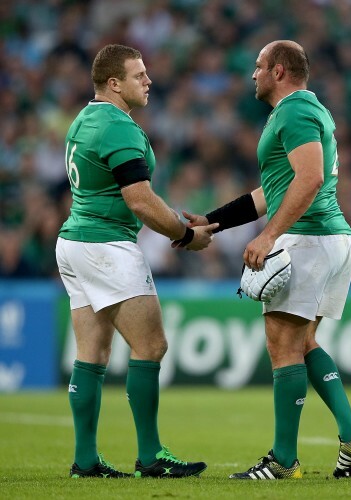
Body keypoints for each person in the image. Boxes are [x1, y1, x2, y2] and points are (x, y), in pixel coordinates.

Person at [182, 40, 351, 480]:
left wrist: (269, 236)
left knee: (282, 346)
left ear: (280, 71)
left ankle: (284, 461)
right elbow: (273, 191)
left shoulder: (294, 111)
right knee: (304, 344)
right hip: (330, 237)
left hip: (309, 239)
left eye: (258, 66)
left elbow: (310, 179)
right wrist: (215, 221)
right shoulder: (302, 112)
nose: (253, 74)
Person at [56, 44, 218, 479]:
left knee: (92, 353)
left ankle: (85, 460)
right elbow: (141, 201)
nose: (149, 81)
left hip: (74, 242)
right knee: (152, 346)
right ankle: (150, 456)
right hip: (107, 247)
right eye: (138, 75)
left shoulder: (83, 120)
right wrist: (186, 234)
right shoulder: (118, 127)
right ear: (114, 83)